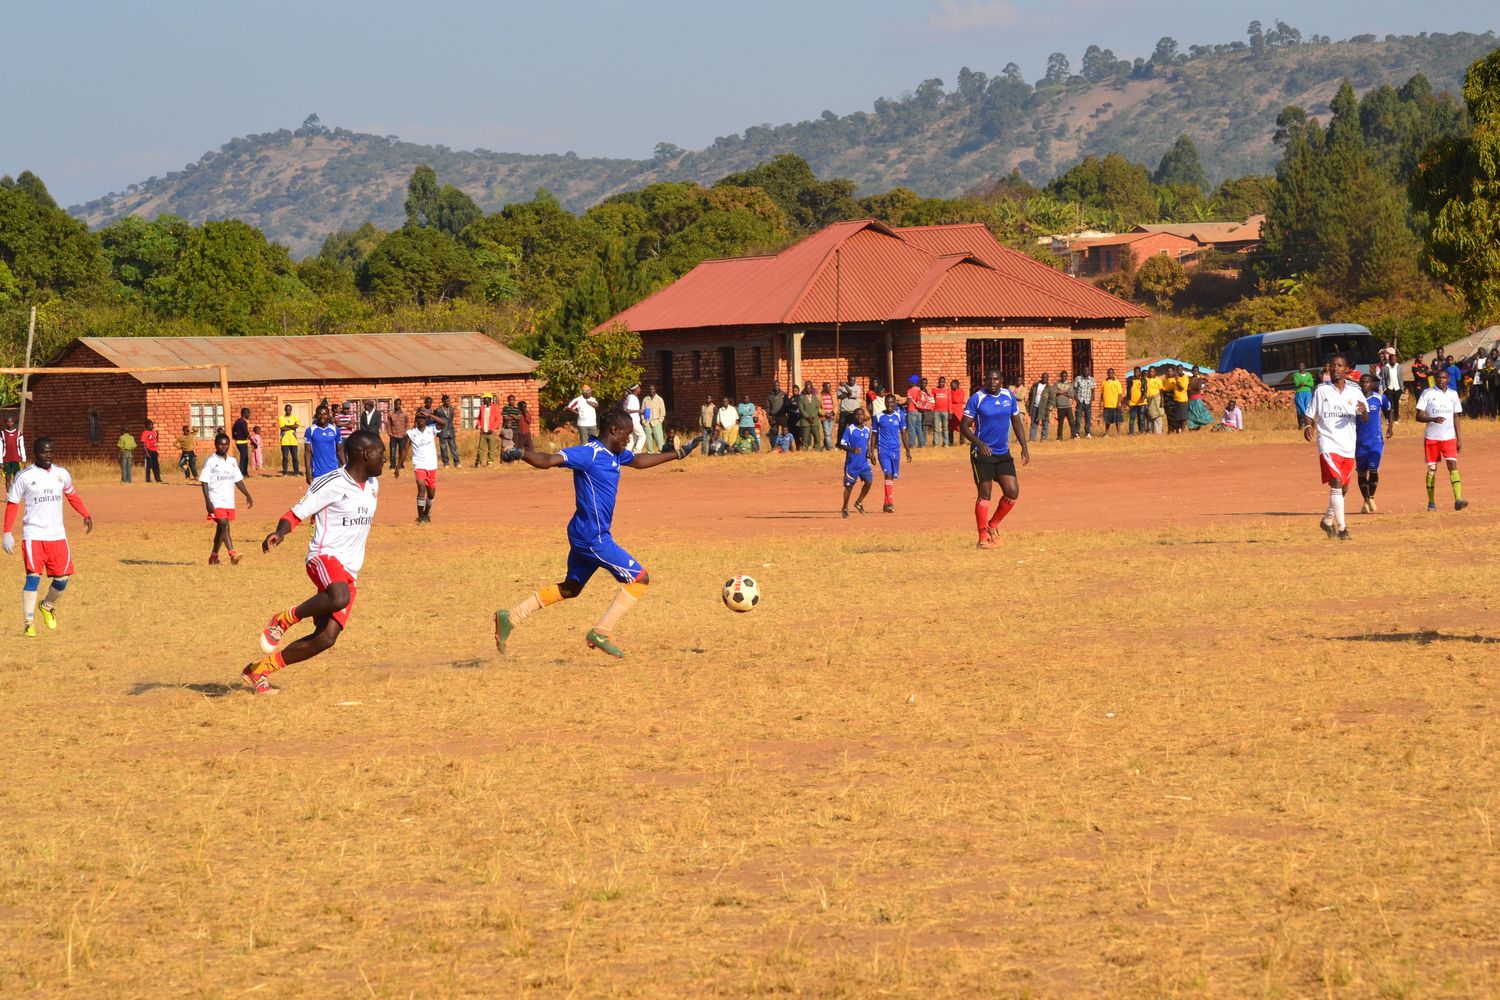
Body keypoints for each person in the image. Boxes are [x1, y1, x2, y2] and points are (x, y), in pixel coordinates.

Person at [493, 410, 700, 659]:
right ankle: (601, 632)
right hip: (594, 537)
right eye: (626, 433)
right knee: (639, 579)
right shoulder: (589, 453)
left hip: (584, 533)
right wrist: (522, 453)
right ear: (613, 429)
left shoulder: (616, 454)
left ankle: (511, 616)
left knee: (571, 588)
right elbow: (549, 460)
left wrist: (677, 454)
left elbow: (639, 461)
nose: (629, 438)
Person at [245, 430, 385, 694]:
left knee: (326, 638)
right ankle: (284, 619)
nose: (385, 459)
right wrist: (280, 532)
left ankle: (259, 671)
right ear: (366, 455)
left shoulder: (374, 485)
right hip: (323, 557)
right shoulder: (330, 483)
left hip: (349, 570)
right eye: (381, 452)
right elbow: (296, 513)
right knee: (338, 596)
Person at [3, 437, 92, 637]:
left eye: (51, 452)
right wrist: (7, 531)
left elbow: (72, 495)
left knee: (62, 580)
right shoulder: (24, 476)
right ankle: (28, 622)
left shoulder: (62, 474)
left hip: (58, 536)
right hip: (34, 535)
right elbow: (13, 504)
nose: (48, 455)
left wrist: (85, 514)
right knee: (33, 577)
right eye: (44, 452)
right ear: (36, 453)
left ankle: (47, 605)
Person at [961, 369, 1029, 550]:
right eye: (988, 379)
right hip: (981, 453)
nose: (991, 382)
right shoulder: (977, 398)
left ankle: (993, 525)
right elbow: (964, 426)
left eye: (995, 379)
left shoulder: (1009, 396)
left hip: (1002, 453)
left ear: (1001, 380)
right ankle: (983, 538)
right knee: (985, 495)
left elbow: (1016, 422)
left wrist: (1024, 446)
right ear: (984, 380)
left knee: (1012, 492)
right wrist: (979, 444)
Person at [1304, 353, 1367, 541]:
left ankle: (1327, 519)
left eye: (1339, 365)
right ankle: (1342, 529)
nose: (1335, 368)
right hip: (1328, 443)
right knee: (1336, 482)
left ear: (1347, 369)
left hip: (1348, 445)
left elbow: (1365, 417)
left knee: (1344, 487)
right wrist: (1308, 425)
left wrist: (1363, 411)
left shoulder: (1355, 390)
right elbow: (1309, 413)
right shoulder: (1321, 390)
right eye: (1332, 365)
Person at [1417, 367, 1467, 512]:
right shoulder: (1427, 393)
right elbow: (1418, 416)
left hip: (1449, 437)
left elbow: (1456, 417)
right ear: (1435, 379)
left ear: (1448, 379)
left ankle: (1458, 499)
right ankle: (1431, 502)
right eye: (1438, 378)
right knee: (1432, 469)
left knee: (1452, 465)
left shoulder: (1453, 394)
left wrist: (1459, 439)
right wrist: (1432, 418)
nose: (1441, 380)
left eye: (1444, 378)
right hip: (1432, 438)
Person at [200, 432, 254, 565]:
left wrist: (247, 494)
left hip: (228, 500)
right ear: (215, 445)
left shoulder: (232, 461)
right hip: (215, 499)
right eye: (220, 444)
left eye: (226, 444)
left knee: (222, 528)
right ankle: (232, 554)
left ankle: (213, 557)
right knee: (224, 524)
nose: (223, 447)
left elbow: (238, 479)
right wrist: (207, 501)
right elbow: (204, 481)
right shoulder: (211, 461)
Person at [1355, 373, 1390, 513]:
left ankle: (1371, 497)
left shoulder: (1379, 398)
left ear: (1372, 384)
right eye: (1362, 382)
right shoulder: (1354, 400)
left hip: (1376, 441)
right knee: (1362, 473)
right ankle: (1366, 500)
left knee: (1374, 470)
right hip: (1359, 443)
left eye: (1367, 382)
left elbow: (1389, 410)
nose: (1364, 384)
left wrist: (1390, 427)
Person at [406, 407, 447, 523]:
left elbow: (444, 423)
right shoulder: (411, 433)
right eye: (419, 417)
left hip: (431, 465)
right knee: (421, 486)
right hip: (419, 465)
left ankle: (426, 514)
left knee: (431, 493)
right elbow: (404, 450)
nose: (421, 420)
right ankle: (420, 517)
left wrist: (430, 415)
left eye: (423, 417)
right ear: (416, 419)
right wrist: (398, 466)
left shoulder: (431, 429)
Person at [873, 393, 912, 512]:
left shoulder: (899, 416)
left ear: (895, 404)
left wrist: (908, 450)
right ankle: (890, 502)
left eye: (892, 402)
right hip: (883, 450)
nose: (890, 405)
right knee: (888, 474)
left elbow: (903, 433)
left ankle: (886, 504)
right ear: (884, 403)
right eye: (888, 402)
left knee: (892, 477)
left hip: (896, 450)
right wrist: (871, 451)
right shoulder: (878, 417)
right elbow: (873, 434)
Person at [837, 408, 874, 518]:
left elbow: (866, 445)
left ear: (864, 416)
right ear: (854, 416)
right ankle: (845, 507)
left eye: (861, 415)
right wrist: (852, 450)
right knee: (849, 487)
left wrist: (870, 454)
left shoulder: (867, 430)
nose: (859, 417)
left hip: (864, 463)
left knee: (869, 482)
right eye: (857, 415)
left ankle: (858, 502)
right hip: (852, 464)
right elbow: (842, 444)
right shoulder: (850, 429)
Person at [303, 404, 344, 484]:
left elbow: (340, 450)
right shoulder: (310, 430)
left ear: (328, 416)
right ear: (316, 415)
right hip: (318, 472)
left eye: (325, 414)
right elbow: (307, 453)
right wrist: (308, 473)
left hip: (334, 471)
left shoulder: (335, 430)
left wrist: (345, 466)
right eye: (320, 414)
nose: (322, 416)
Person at [474, 393, 500, 466]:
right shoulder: (482, 407)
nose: (484, 400)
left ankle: (490, 462)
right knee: (480, 448)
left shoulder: (495, 407)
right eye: (483, 399)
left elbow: (498, 420)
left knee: (491, 448)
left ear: (489, 399)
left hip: (491, 432)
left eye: (485, 399)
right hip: (483, 431)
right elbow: (479, 418)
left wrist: (493, 428)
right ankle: (479, 462)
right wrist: (478, 424)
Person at [386, 398, 409, 479]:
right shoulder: (390, 414)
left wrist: (406, 432)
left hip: (402, 435)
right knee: (392, 451)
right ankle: (392, 465)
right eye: (396, 404)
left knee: (402, 451)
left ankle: (401, 465)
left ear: (400, 405)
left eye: (399, 404)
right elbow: (388, 424)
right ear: (394, 404)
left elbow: (407, 424)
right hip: (394, 436)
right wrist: (389, 433)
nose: (397, 405)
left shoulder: (405, 414)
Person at [905, 376, 931, 448]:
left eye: (909, 381)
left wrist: (902, 404)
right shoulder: (920, 390)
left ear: (912, 382)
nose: (908, 383)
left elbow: (909, 401)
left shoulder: (910, 390)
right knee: (919, 428)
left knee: (911, 428)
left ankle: (912, 444)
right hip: (919, 411)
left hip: (912, 411)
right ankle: (921, 444)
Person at [434, 395, 458, 467]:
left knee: (453, 447)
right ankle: (446, 463)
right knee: (443, 448)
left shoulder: (451, 409)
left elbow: (451, 419)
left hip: (450, 431)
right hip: (442, 431)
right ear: (443, 402)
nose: (448, 402)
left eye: (449, 401)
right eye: (446, 401)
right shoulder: (438, 410)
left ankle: (457, 462)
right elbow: (436, 420)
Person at [2, 416, 26, 492]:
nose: (9, 423)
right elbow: (0, 447)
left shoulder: (18, 433)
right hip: (6, 459)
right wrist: (0, 461)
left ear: (13, 422)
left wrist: (24, 458)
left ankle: (16, 494)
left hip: (16, 458)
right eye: (8, 422)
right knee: (8, 478)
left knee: (17, 477)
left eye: (11, 421)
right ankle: (9, 495)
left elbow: (22, 446)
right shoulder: (2, 433)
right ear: (6, 423)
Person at [277, 404, 301, 476]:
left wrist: (287, 426)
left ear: (291, 410)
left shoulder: (294, 417)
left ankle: (296, 472)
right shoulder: (281, 418)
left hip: (293, 440)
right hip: (284, 440)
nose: (288, 411)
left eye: (289, 409)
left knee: (295, 457)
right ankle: (285, 472)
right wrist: (292, 427)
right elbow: (282, 428)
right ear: (284, 410)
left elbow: (297, 425)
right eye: (287, 409)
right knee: (285, 457)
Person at [642, 384, 667, 454]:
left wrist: (660, 421)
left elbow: (663, 412)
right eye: (650, 389)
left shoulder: (659, 399)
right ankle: (650, 454)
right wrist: (643, 421)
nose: (651, 391)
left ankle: (662, 453)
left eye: (653, 389)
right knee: (649, 441)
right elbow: (642, 411)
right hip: (647, 423)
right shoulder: (645, 399)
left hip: (656, 422)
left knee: (660, 441)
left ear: (655, 390)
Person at [1099, 368, 1124, 436]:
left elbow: (1120, 394)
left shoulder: (1117, 382)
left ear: (1113, 373)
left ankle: (1118, 433)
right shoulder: (1104, 382)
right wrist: (1101, 402)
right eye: (1109, 373)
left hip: (1115, 404)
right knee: (1107, 420)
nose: (1110, 374)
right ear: (1107, 373)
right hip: (1107, 404)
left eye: (1111, 373)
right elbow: (1102, 393)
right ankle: (1107, 433)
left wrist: (1119, 402)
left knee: (1117, 420)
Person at [623, 382, 646, 453]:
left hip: (630, 421)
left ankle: (626, 453)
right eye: (638, 388)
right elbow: (628, 410)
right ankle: (637, 451)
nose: (640, 389)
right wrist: (639, 411)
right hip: (633, 421)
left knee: (632, 439)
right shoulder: (633, 398)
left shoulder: (630, 397)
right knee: (642, 436)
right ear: (635, 389)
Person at [1053, 370, 1075, 440]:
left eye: (1065, 376)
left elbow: (1071, 394)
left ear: (1067, 377)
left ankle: (1073, 436)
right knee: (1060, 423)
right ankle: (1059, 437)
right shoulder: (1056, 383)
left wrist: (1060, 393)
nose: (1064, 377)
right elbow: (1054, 391)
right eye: (1062, 376)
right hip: (1060, 406)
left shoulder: (1070, 384)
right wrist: (1065, 392)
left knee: (1071, 422)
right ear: (1060, 376)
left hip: (1068, 406)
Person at [1073, 368, 1096, 439]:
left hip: (1088, 402)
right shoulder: (1078, 378)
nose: (1086, 372)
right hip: (1080, 401)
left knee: (1088, 419)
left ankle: (1087, 433)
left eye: (1087, 371)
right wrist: (1077, 400)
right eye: (1084, 370)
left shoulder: (1091, 379)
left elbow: (1093, 391)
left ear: (1089, 371)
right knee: (1078, 419)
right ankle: (1077, 433)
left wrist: (1091, 400)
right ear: (1082, 371)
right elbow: (1075, 390)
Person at [798, 384, 821, 451]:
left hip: (814, 420)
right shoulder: (801, 398)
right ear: (805, 389)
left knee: (817, 436)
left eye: (810, 388)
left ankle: (817, 448)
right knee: (805, 437)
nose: (808, 390)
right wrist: (807, 417)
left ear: (812, 389)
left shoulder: (815, 397)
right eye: (807, 388)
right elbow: (801, 409)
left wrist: (813, 416)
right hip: (805, 421)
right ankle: (805, 449)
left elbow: (817, 408)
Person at [1029, 372, 1051, 442]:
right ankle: (1032, 439)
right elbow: (1030, 396)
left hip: (1045, 409)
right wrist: (1029, 406)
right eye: (1043, 377)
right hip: (1035, 407)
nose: (1045, 379)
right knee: (1034, 424)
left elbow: (1052, 399)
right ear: (1041, 377)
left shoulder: (1049, 388)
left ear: (1048, 378)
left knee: (1045, 424)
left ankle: (1044, 438)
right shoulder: (1035, 385)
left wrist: (1049, 408)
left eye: (1046, 377)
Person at [1292, 364, 1315, 430]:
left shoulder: (1309, 374)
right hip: (1299, 392)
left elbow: (1311, 384)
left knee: (1308, 407)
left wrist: (1304, 383)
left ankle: (1310, 423)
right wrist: (1306, 383)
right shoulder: (1296, 375)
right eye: (1299, 365)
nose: (1301, 366)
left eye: (1302, 365)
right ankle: (1301, 424)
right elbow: (1297, 384)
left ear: (1305, 367)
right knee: (1300, 408)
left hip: (1308, 393)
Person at [931, 378, 951, 447]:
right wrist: (932, 410)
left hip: (945, 412)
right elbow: (932, 401)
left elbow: (949, 401)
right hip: (936, 412)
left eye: (943, 382)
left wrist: (950, 412)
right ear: (938, 383)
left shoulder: (947, 391)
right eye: (940, 382)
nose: (941, 383)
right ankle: (936, 444)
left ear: (944, 383)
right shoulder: (934, 390)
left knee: (945, 428)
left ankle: (946, 443)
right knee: (936, 428)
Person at [231, 407, 252, 476]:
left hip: (238, 442)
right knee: (244, 458)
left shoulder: (237, 421)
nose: (249, 415)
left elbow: (233, 429)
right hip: (242, 442)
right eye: (248, 413)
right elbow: (246, 433)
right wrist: (253, 441)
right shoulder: (243, 422)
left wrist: (234, 437)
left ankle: (245, 473)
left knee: (245, 457)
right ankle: (241, 473)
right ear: (245, 413)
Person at [820, 382, 836, 450]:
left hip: (831, 417)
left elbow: (836, 405)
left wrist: (832, 413)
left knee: (829, 433)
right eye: (826, 387)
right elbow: (818, 407)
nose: (828, 388)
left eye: (829, 387)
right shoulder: (820, 396)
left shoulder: (833, 395)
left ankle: (825, 446)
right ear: (823, 387)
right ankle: (831, 447)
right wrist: (825, 414)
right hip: (824, 417)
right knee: (827, 433)